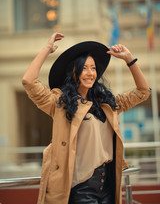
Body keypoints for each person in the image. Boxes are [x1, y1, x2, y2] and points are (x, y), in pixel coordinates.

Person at [22, 32, 151, 204]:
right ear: (73, 72)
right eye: (84, 68)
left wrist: (129, 59)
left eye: (93, 68)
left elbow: (143, 92)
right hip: (81, 188)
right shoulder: (60, 103)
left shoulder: (106, 104)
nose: (90, 73)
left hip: (108, 185)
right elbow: (28, 81)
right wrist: (47, 49)